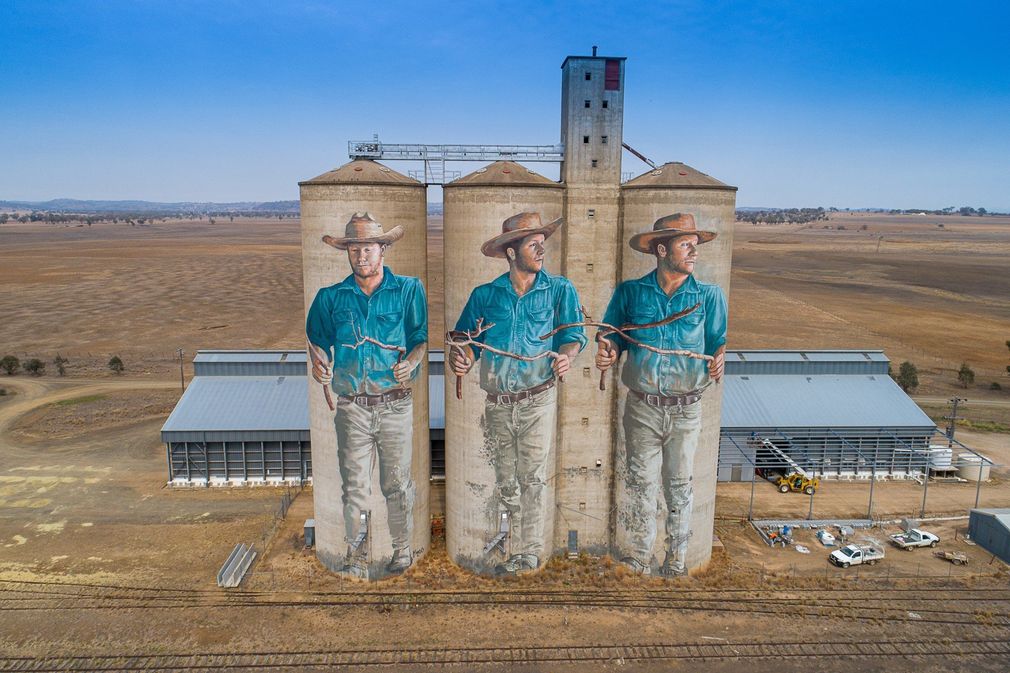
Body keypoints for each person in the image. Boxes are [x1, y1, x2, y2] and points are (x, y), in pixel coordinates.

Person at [450, 212, 587, 575]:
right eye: (532, 242)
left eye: (542, 240)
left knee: (532, 479)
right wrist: (461, 359)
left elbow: (574, 336)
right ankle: (511, 546)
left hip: (537, 401)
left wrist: (566, 357)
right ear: (511, 252)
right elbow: (465, 341)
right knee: (506, 481)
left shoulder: (560, 290)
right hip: (497, 404)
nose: (541, 248)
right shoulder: (485, 295)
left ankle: (528, 553)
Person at [595, 212, 727, 576]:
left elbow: (718, 344)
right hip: (642, 408)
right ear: (661, 248)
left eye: (695, 245)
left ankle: (676, 560)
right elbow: (611, 334)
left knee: (680, 488)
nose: (693, 252)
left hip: (686, 411)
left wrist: (719, 360)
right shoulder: (630, 293)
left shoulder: (709, 297)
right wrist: (607, 348)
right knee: (640, 485)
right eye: (686, 244)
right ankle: (639, 558)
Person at [306, 212, 427, 576]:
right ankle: (355, 554)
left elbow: (420, 339)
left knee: (397, 484)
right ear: (347, 252)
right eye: (354, 249)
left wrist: (413, 363)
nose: (362, 256)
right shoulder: (331, 298)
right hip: (352, 408)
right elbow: (316, 339)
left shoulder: (408, 290)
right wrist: (320, 363)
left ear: (383, 249)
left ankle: (403, 550)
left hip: (395, 405)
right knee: (354, 488)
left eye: (369, 248)